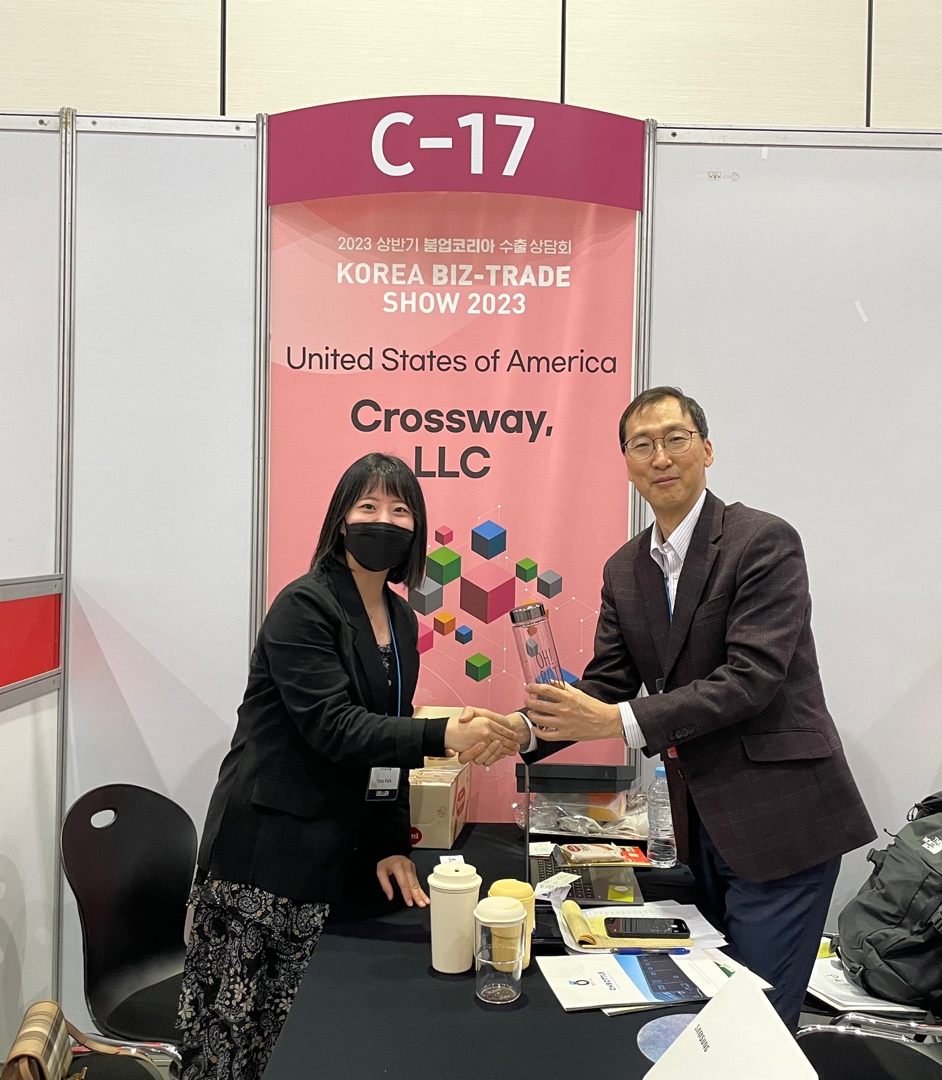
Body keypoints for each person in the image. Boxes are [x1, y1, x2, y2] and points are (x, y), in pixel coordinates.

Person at [497, 387, 876, 1030]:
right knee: (712, 1011)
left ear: (707, 449)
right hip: (700, 826)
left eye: (675, 438)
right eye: (642, 444)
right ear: (626, 464)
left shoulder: (762, 541)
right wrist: (522, 731)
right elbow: (609, 680)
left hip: (781, 819)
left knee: (753, 1024)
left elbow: (750, 679)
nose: (661, 456)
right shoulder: (625, 568)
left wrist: (619, 722)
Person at [180, 452, 522, 1080]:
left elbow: (386, 736)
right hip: (265, 859)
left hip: (336, 859)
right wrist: (445, 734)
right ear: (341, 519)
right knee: (234, 1050)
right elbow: (334, 728)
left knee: (308, 1043)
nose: (383, 521)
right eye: (368, 506)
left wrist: (392, 843)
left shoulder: (401, 618)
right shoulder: (303, 606)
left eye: (400, 510)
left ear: (416, 529)